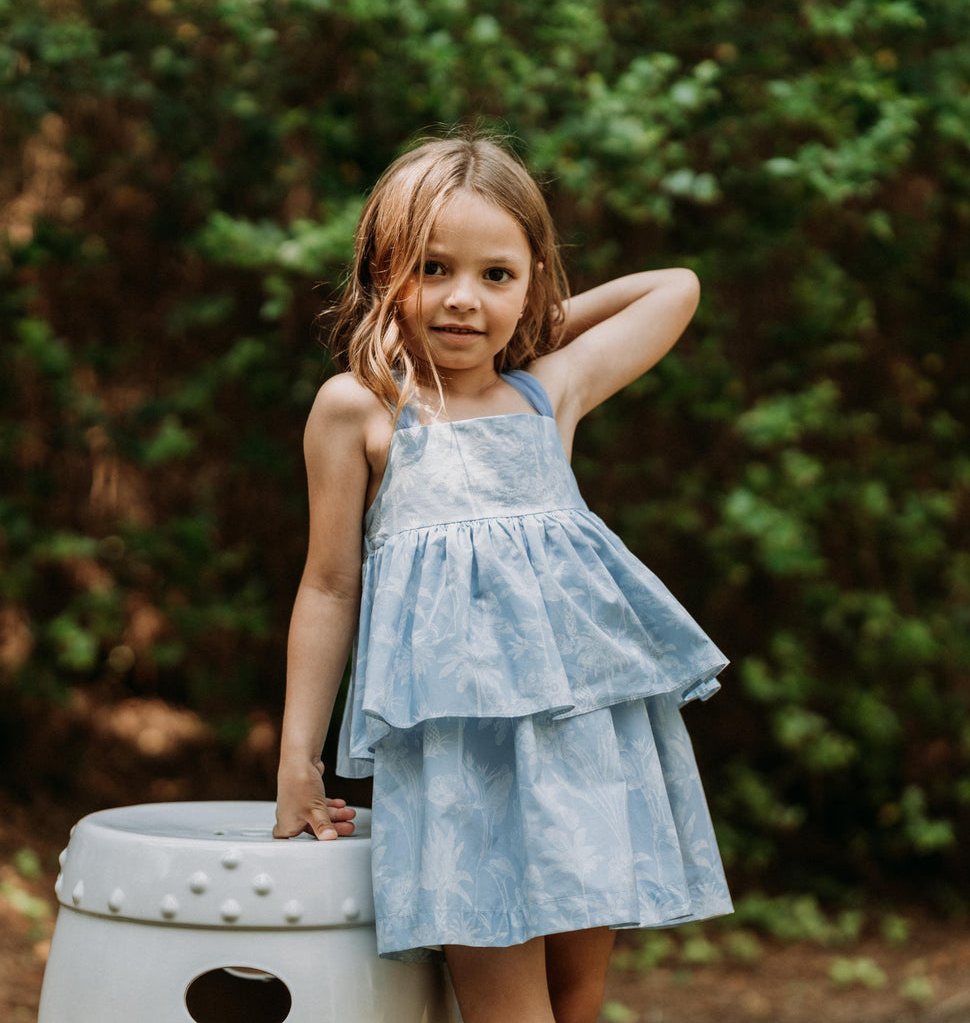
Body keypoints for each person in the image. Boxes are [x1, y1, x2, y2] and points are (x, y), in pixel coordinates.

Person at [274, 134, 732, 1023]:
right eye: (434, 268)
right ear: (382, 272)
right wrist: (300, 757)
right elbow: (328, 587)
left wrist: (534, 326)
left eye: (495, 275)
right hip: (463, 774)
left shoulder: (546, 392)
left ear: (533, 285)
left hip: (582, 749)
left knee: (578, 1002)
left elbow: (675, 286)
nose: (460, 300)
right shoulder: (361, 411)